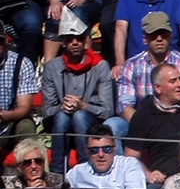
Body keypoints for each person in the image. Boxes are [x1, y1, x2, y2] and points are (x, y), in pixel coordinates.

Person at [40, 15, 126, 169]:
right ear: (64, 42)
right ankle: (58, 170)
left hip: (92, 121)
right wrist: (63, 106)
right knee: (61, 116)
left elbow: (108, 110)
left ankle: (85, 166)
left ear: (85, 41)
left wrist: (84, 106)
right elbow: (47, 110)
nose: (75, 43)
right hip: (61, 120)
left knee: (79, 116)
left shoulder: (100, 66)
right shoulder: (52, 67)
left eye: (79, 39)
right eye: (70, 39)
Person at [117, 12, 180, 123]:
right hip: (141, 122)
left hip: (179, 122)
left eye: (164, 34)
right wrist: (142, 125)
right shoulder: (132, 65)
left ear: (171, 36)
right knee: (114, 125)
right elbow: (124, 105)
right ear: (145, 39)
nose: (159, 39)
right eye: (153, 34)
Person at [64, 131, 151, 189]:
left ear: (115, 149)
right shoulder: (79, 171)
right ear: (87, 151)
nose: (101, 155)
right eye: (94, 150)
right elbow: (59, 188)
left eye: (107, 149)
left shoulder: (128, 165)